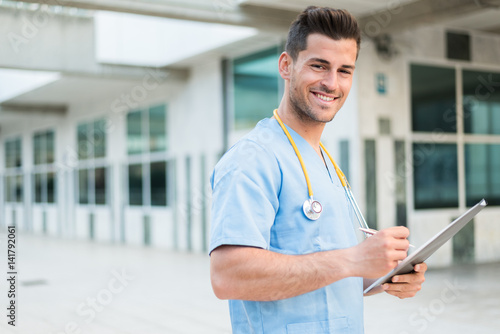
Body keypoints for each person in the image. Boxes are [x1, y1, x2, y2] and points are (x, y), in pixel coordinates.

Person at [209, 6, 427, 334]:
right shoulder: (253, 159)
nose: (331, 83)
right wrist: (353, 259)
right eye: (319, 66)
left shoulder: (326, 161)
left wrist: (385, 275)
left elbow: (325, 271)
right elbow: (228, 276)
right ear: (286, 65)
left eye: (344, 70)